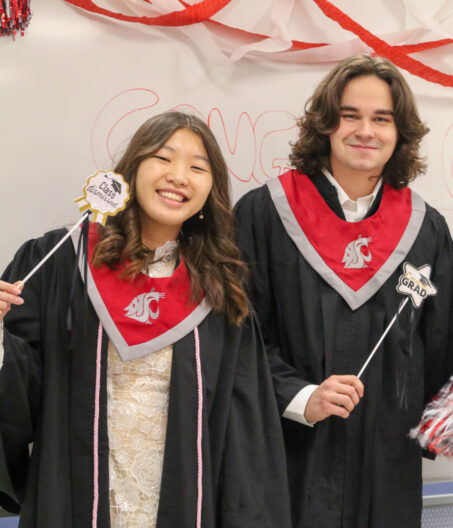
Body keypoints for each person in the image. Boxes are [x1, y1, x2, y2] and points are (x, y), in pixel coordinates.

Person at [0, 111, 290, 527]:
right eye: (163, 158)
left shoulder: (220, 286)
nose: (179, 176)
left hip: (183, 500)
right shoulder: (62, 260)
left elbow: (243, 430)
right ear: (131, 169)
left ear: (211, 189)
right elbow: (20, 387)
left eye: (197, 167)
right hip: (79, 497)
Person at [234, 54, 453, 527]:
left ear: (399, 132)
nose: (366, 130)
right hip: (286, 453)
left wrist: (410, 416)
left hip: (386, 465)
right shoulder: (265, 215)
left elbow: (445, 345)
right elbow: (236, 335)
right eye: (350, 116)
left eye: (381, 119)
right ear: (325, 124)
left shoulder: (426, 231)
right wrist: (300, 397)